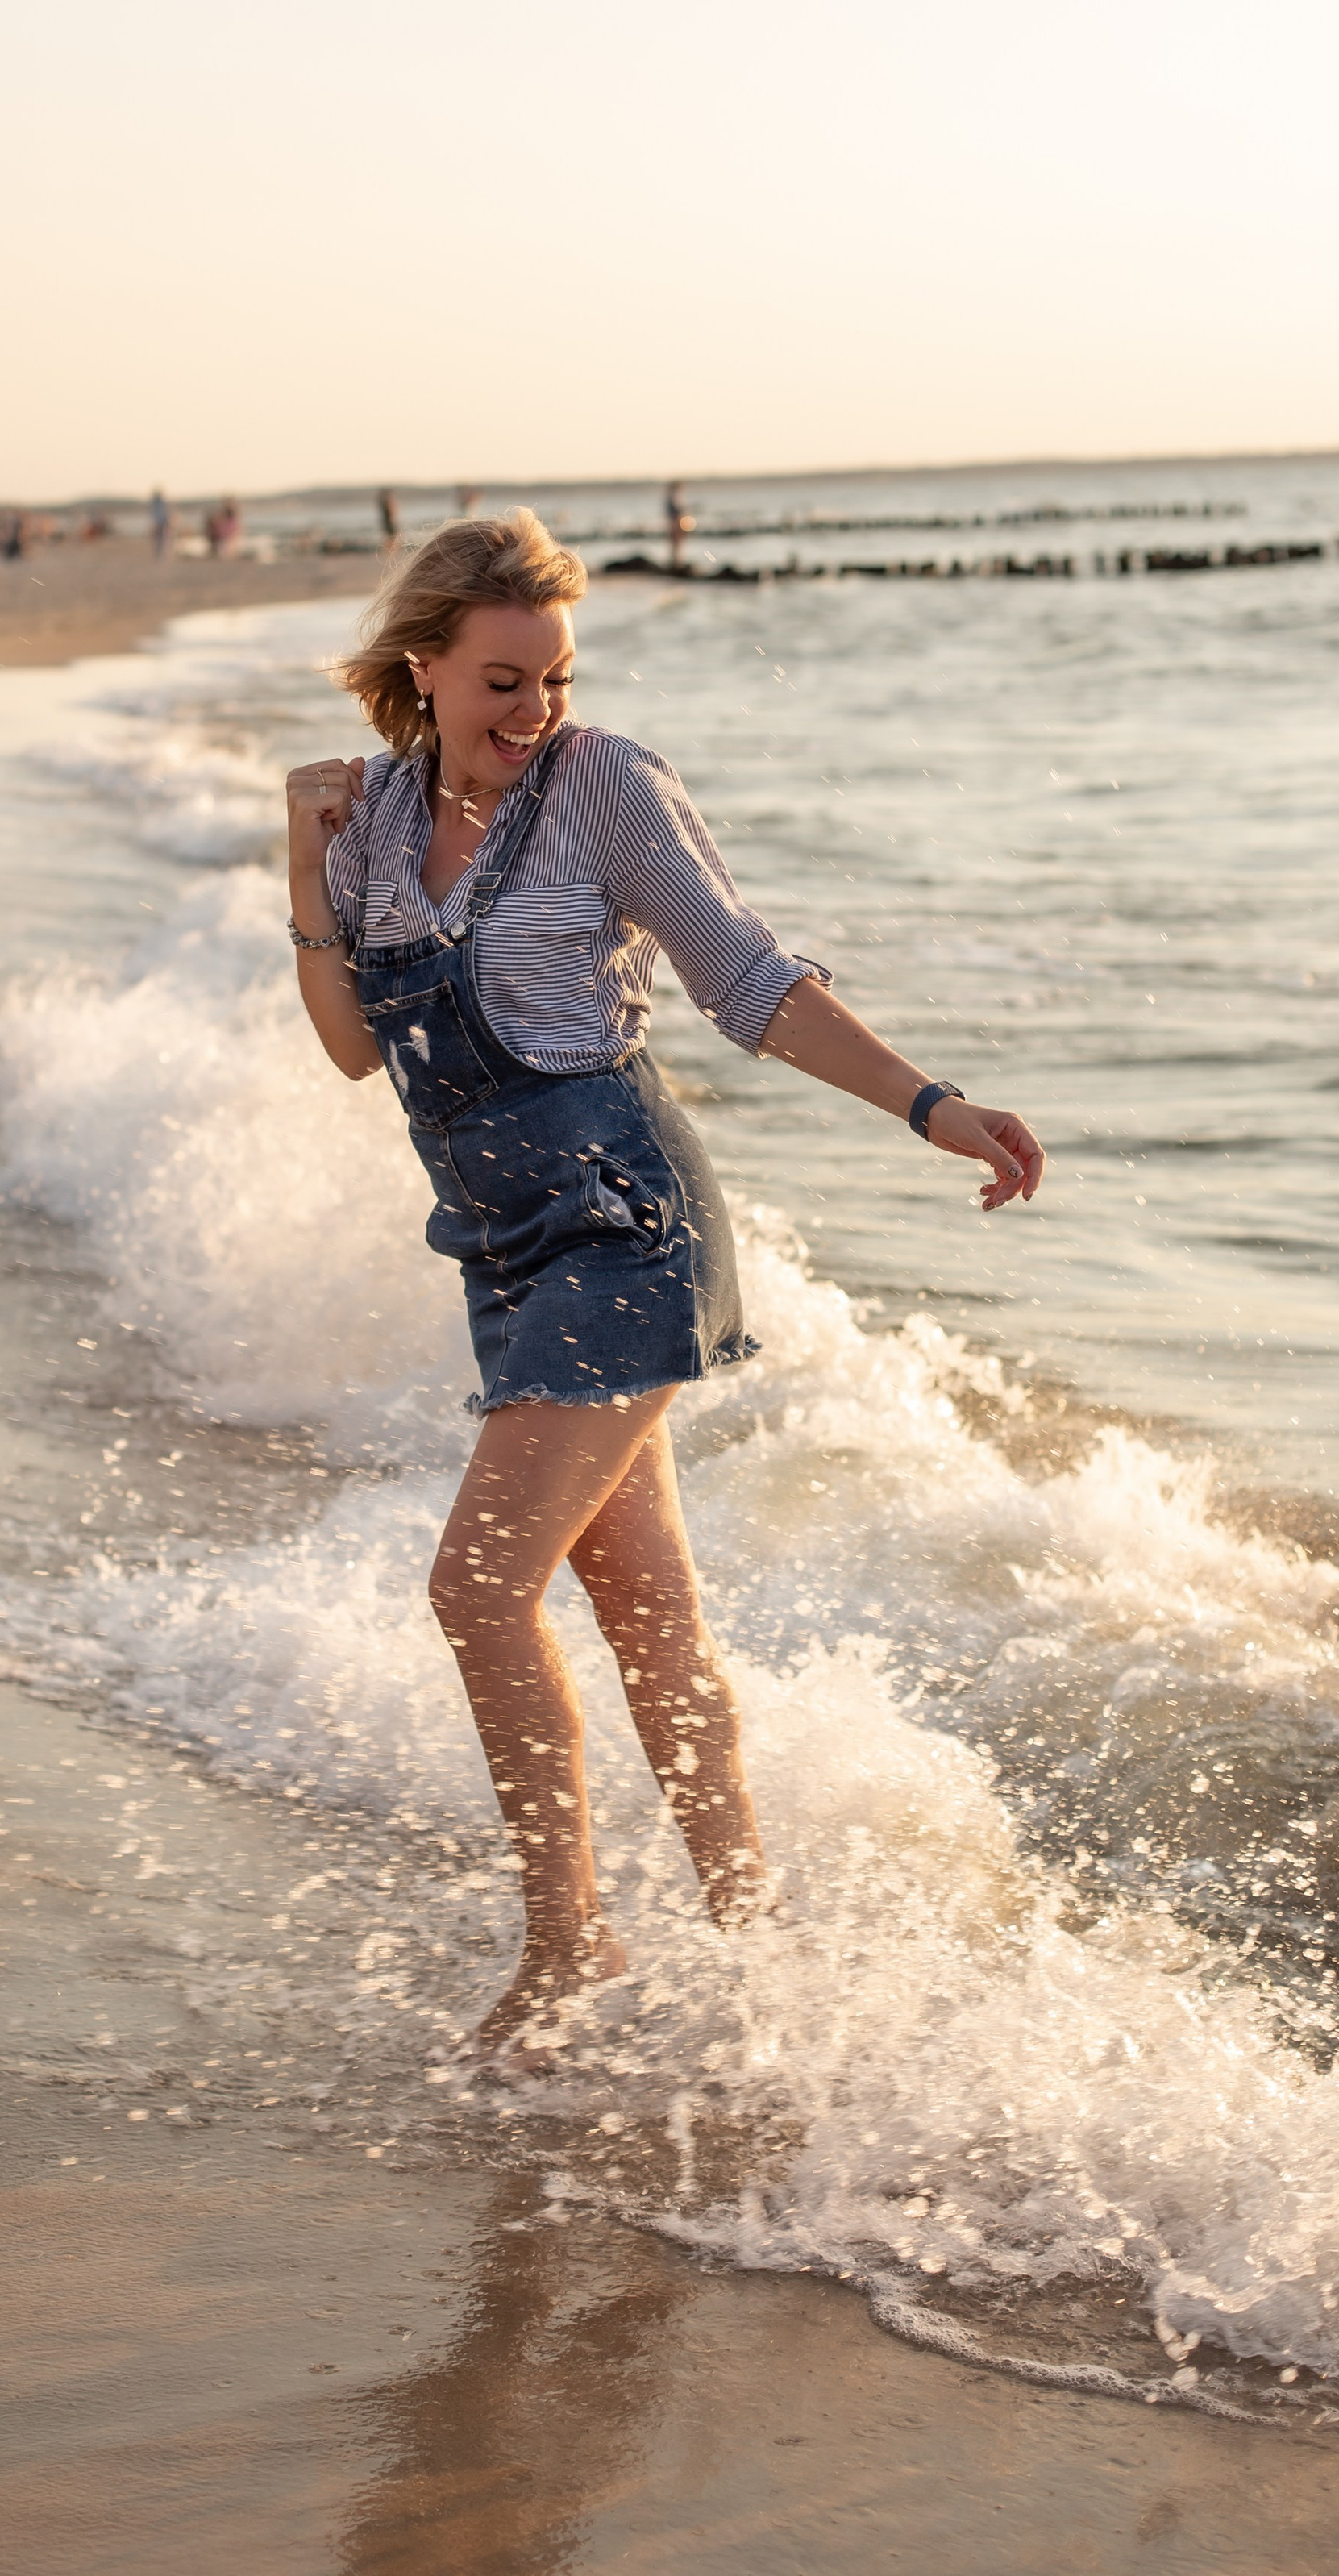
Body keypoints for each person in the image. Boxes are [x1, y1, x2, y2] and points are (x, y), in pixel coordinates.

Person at [284, 511, 1043, 2058]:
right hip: (500, 1254)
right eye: (502, 681)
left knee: (476, 1589)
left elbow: (751, 981)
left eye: (551, 679)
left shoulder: (605, 789)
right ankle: (758, 1947)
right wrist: (299, 861)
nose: (532, 713)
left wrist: (931, 1105)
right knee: (646, 1617)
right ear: (420, 667)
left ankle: (571, 1948)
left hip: (629, 1229)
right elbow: (358, 1045)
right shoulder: (369, 826)